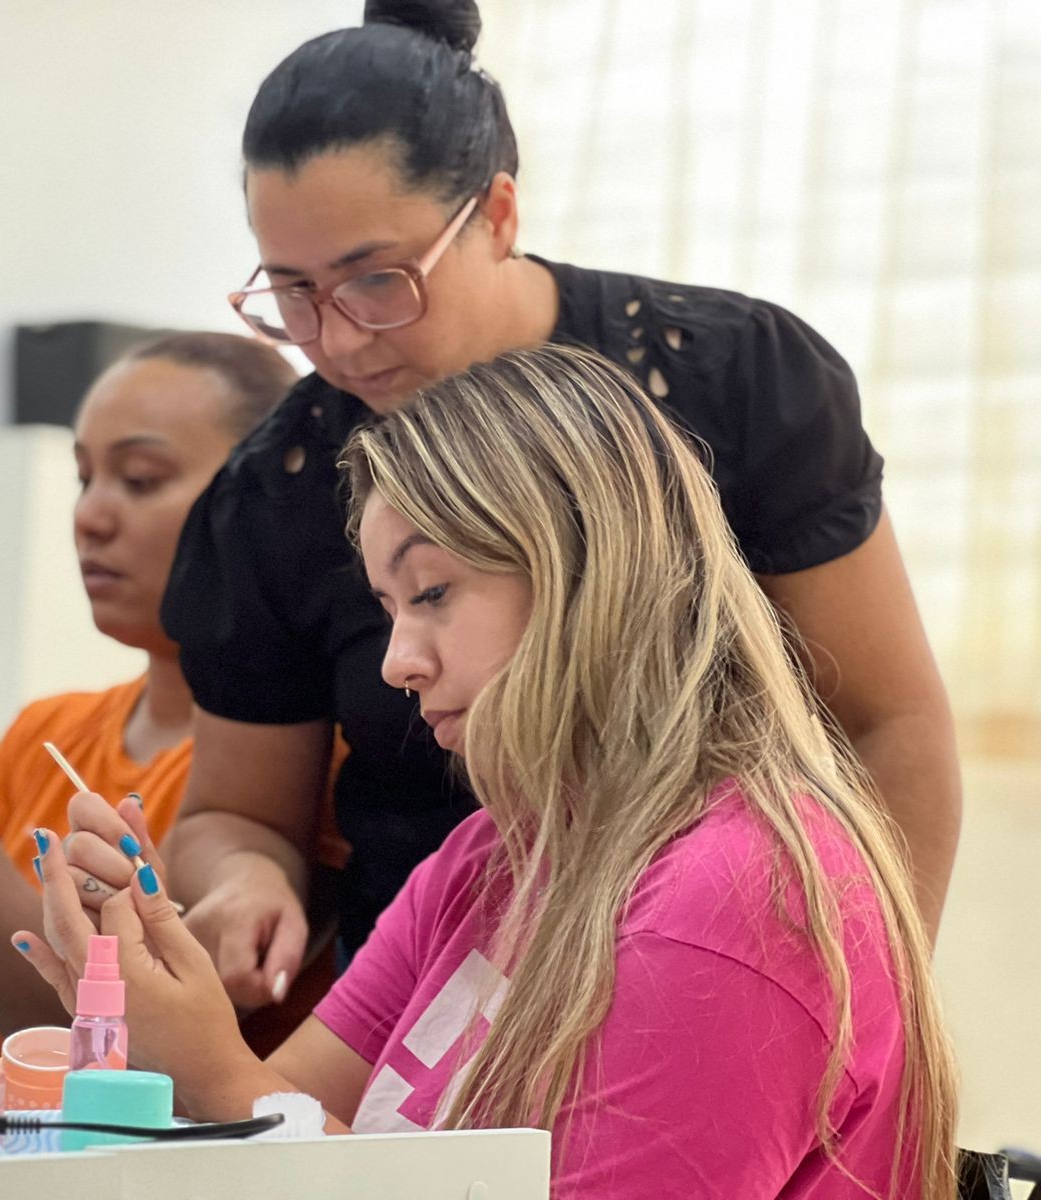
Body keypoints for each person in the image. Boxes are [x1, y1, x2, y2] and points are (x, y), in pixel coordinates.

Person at [153, 0, 961, 1010]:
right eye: (292, 294)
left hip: (730, 972)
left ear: (496, 215)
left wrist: (870, 1016)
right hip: (422, 1008)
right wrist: (244, 877)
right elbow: (234, 812)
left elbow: (886, 727)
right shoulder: (277, 491)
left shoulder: (738, 385)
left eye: (377, 280)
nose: (343, 340)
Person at [25, 346, 958, 1197]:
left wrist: (212, 1071)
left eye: (432, 593)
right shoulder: (493, 857)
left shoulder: (737, 898)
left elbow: (261, 1115)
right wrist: (155, 1038)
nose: (398, 662)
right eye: (389, 607)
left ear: (590, 571)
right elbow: (287, 1138)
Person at [0, 333, 305, 1045]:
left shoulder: (280, 773)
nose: (90, 517)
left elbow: (70, 1023)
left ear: (263, 501)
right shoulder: (49, 730)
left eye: (139, 479)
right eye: (84, 478)